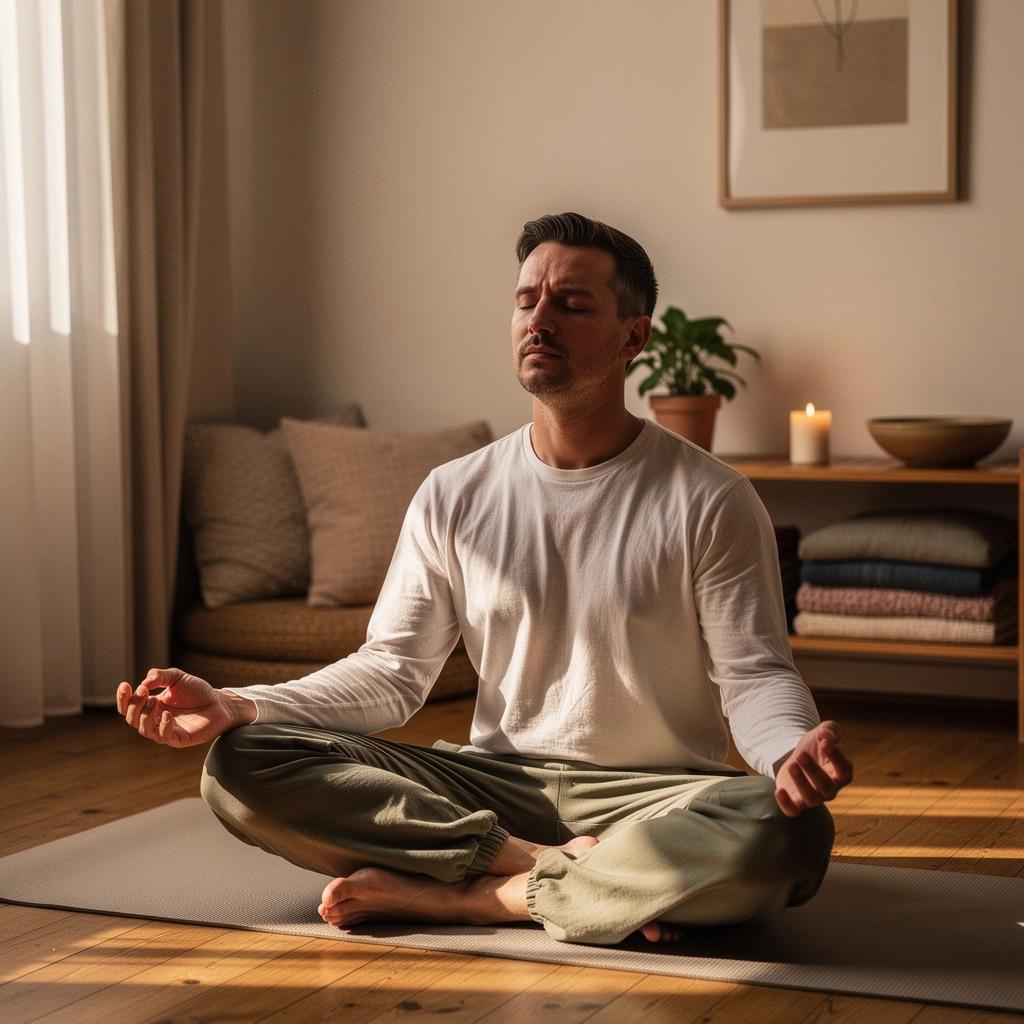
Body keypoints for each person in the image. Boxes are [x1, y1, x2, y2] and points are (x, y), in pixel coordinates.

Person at [116, 212, 852, 946]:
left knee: (786, 835)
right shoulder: (453, 493)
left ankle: (476, 901)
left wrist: (788, 751)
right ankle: (542, 871)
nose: (539, 320)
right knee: (242, 761)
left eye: (571, 304)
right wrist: (237, 704)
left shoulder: (710, 497)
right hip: (493, 790)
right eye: (527, 299)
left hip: (655, 799)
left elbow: (753, 675)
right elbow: (393, 672)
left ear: (634, 336)